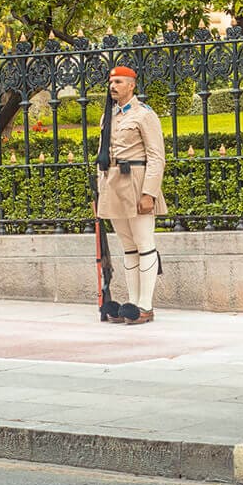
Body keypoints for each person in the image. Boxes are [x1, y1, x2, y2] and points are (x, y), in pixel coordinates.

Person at [96, 65, 167, 325]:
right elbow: (102, 157)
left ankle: (145, 305)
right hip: (113, 185)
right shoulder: (109, 116)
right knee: (128, 247)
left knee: (144, 244)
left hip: (136, 183)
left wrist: (149, 193)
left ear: (131, 85)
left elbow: (157, 157)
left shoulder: (144, 114)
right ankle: (132, 305)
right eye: (111, 81)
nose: (112, 86)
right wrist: (100, 192)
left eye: (118, 81)